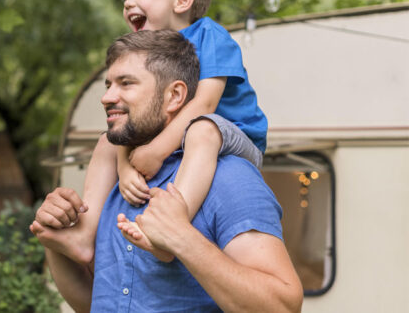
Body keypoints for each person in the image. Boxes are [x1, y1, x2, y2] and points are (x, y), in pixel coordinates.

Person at [32, 30, 302, 312]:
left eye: (126, 83)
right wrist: (56, 245)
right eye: (108, 85)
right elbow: (97, 303)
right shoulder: (116, 181)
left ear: (174, 96)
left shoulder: (228, 179)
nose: (107, 97)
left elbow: (282, 307)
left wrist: (181, 237)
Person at [31, 0, 267, 265]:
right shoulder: (149, 54)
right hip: (183, 133)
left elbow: (205, 104)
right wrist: (125, 165)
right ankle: (85, 233)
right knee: (106, 139)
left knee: (203, 129)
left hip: (233, 137)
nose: (128, 1)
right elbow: (134, 122)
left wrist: (155, 152)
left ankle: (170, 230)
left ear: (182, 1)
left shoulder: (209, 36)